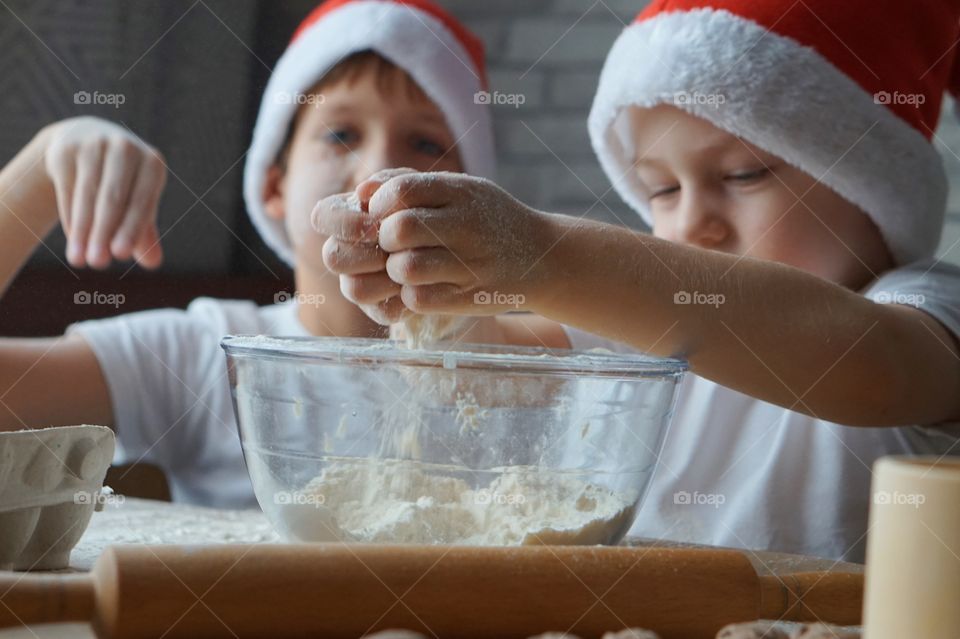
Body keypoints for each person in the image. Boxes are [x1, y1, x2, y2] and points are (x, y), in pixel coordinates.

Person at [315, 0, 960, 561]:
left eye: (743, 175)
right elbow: (504, 362)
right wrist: (439, 295)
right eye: (661, 189)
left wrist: (545, 254)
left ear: (871, 187)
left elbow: (872, 364)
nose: (694, 222)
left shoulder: (923, 303)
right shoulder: (648, 324)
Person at [0, 0, 498, 507]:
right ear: (274, 187)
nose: (381, 169)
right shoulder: (208, 356)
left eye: (424, 141)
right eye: (341, 134)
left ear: (472, 197)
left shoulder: (522, 367)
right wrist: (38, 173)